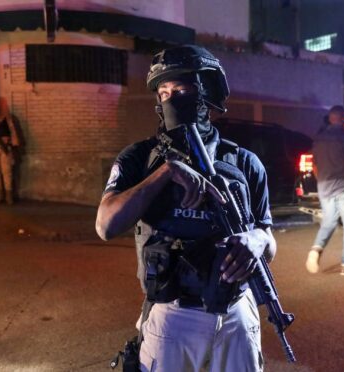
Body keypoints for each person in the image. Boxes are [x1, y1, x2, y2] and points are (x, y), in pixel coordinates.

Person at [96, 46, 276, 371]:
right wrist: (167, 171)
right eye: (163, 92)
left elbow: (266, 234)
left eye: (180, 90)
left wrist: (258, 241)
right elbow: (106, 225)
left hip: (237, 311)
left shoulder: (245, 163)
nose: (169, 100)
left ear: (206, 93)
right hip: (173, 315)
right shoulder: (140, 158)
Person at [306, 105, 344, 275]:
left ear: (330, 119)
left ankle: (316, 249)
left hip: (324, 186)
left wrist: (321, 180)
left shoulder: (319, 138)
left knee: (328, 222)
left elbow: (314, 166)